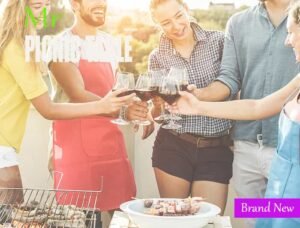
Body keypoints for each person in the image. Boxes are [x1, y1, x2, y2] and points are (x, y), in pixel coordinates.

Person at [169, 2, 300, 227]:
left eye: (291, 33)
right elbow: (256, 107)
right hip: (264, 167)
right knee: (251, 217)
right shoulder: (297, 82)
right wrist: (197, 105)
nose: (287, 42)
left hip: (290, 186)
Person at [0, 0, 134, 203]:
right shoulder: (18, 48)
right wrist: (105, 106)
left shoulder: (18, 45)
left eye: (48, 5)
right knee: (9, 213)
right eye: (37, 5)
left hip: (6, 146)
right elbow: (48, 108)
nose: (45, 11)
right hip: (7, 147)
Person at [47, 0, 149, 223]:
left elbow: (116, 89)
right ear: (75, 4)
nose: (101, 3)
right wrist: (124, 111)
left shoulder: (109, 43)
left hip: (109, 142)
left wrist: (139, 109)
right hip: (74, 146)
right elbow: (78, 93)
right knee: (84, 219)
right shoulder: (62, 44)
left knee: (124, 217)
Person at [148, 0, 233, 214]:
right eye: (166, 22)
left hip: (215, 147)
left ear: (187, 10)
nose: (176, 26)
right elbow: (158, 111)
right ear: (157, 24)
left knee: (207, 220)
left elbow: (232, 84)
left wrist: (199, 96)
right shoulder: (157, 57)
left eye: (178, 16)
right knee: (174, 219)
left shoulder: (219, 41)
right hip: (173, 145)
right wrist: (155, 107)